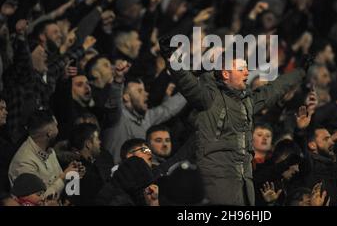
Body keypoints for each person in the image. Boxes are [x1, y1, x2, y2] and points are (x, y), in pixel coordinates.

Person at [160, 38, 311, 205]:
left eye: (246, 68)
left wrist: (300, 72)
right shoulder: (208, 98)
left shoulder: (247, 101)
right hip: (217, 181)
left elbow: (274, 89)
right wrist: (172, 57)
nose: (247, 72)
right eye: (241, 69)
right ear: (226, 74)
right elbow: (185, 80)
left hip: (244, 184)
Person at [103, 77, 187, 163]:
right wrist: (117, 82)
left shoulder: (146, 117)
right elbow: (113, 105)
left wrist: (191, 88)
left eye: (144, 90)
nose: (146, 94)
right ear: (126, 97)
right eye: (139, 91)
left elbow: (168, 109)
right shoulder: (118, 117)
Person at [8, 109, 85, 197]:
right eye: (56, 126)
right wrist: (63, 177)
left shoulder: (49, 151)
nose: (58, 130)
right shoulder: (24, 162)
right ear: (50, 134)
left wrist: (72, 174)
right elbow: (39, 200)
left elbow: (61, 187)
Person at [66, 123, 113, 206]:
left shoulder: (100, 162)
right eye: (97, 139)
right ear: (88, 144)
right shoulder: (74, 169)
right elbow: (71, 200)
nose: (100, 142)